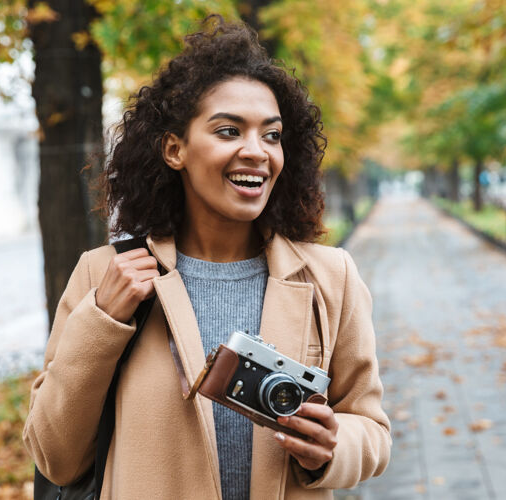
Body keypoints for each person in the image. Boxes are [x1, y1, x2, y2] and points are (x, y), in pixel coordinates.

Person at [23, 16, 391, 500]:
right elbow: (55, 456)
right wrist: (103, 321)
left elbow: (373, 431)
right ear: (175, 149)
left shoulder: (330, 276)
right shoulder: (104, 275)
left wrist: (333, 445)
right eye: (228, 131)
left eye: (272, 135)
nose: (256, 151)